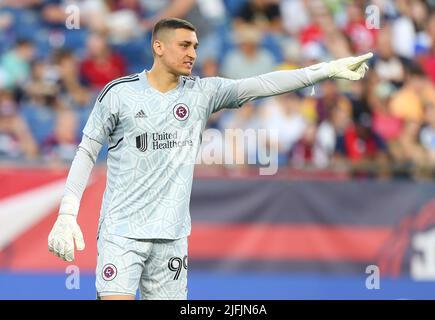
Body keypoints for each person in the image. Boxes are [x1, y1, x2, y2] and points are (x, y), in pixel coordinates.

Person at [47, 17, 372, 300]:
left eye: (196, 46)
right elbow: (87, 151)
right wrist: (67, 214)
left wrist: (324, 71)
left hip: (172, 237)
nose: (192, 54)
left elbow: (261, 84)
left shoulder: (202, 93)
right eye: (184, 45)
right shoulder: (120, 94)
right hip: (122, 231)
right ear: (158, 47)